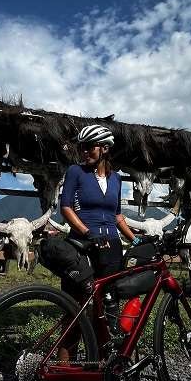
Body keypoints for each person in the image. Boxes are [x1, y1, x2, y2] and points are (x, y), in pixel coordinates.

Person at [59, 124, 140, 334]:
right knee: (74, 306)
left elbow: (117, 215)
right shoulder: (76, 171)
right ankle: (63, 364)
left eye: (89, 147)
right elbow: (66, 207)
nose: (84, 152)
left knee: (108, 306)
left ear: (104, 148)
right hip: (82, 244)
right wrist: (88, 232)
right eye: (82, 148)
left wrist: (136, 239)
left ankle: (103, 362)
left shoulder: (116, 179)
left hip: (111, 246)